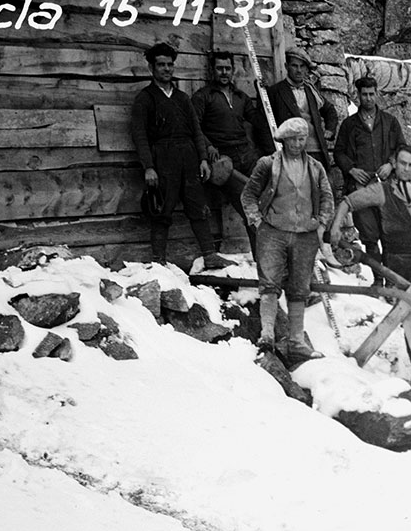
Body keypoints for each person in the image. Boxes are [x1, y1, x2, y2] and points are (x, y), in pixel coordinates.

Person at [331, 145, 411, 359]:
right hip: (400, 261)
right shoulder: (381, 191)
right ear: (394, 164)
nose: (406, 168)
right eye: (403, 163)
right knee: (409, 314)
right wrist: (336, 226)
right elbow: (348, 202)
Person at [129, 42, 235, 269]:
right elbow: (139, 135)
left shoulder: (182, 98)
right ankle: (159, 261)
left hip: (188, 157)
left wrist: (204, 159)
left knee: (198, 206)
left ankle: (210, 255)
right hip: (163, 158)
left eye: (170, 64)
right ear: (151, 68)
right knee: (162, 210)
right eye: (161, 65)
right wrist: (148, 166)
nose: (166, 69)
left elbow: (196, 131)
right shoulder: (145, 98)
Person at [240, 117, 335, 359]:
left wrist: (322, 224)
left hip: (305, 235)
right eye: (292, 139)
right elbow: (248, 195)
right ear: (283, 140)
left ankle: (296, 342)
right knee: (270, 283)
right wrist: (258, 221)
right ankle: (267, 336)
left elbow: (327, 197)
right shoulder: (268, 165)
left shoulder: (315, 168)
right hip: (273, 233)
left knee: (299, 288)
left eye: (301, 139)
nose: (297, 143)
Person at [191, 50, 275, 258]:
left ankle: (274, 255)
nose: (224, 73)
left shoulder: (240, 97)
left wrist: (264, 94)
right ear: (212, 70)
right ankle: (261, 260)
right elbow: (194, 127)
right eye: (220, 68)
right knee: (249, 208)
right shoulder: (204, 97)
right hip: (225, 162)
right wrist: (208, 146)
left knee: (270, 200)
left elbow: (257, 120)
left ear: (233, 70)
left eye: (227, 68)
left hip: (248, 155)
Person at [333, 76, 407, 284]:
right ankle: (378, 279)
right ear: (358, 95)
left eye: (371, 94)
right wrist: (352, 170)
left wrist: (391, 164)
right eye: (364, 94)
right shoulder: (349, 125)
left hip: (386, 188)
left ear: (377, 94)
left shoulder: (390, 122)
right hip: (360, 188)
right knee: (369, 235)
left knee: (390, 233)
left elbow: (402, 148)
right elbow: (339, 153)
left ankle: (392, 280)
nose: (368, 98)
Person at [264, 47, 339, 171]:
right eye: (294, 66)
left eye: (302, 66)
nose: (299, 71)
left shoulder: (311, 90)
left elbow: (330, 110)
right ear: (286, 66)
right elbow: (264, 126)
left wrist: (329, 130)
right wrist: (274, 153)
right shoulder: (275, 92)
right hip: (291, 152)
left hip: (316, 150)